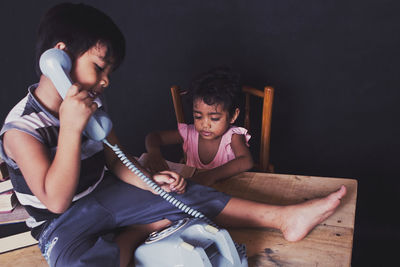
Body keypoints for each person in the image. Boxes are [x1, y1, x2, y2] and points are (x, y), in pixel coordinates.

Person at [0, 3, 347, 267]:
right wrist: (72, 128)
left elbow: (115, 159)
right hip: (64, 224)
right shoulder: (21, 129)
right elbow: (56, 202)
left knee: (186, 197)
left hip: (106, 195)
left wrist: (150, 181)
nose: (105, 81)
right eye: (99, 67)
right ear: (58, 58)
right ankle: (138, 231)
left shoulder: (92, 103)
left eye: (109, 72)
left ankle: (284, 218)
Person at [145, 67, 253, 186]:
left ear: (233, 116)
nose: (205, 124)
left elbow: (246, 161)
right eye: (198, 116)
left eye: (214, 118)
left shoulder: (233, 136)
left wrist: (210, 176)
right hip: (193, 190)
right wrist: (154, 153)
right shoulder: (189, 133)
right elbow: (154, 137)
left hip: (227, 189)